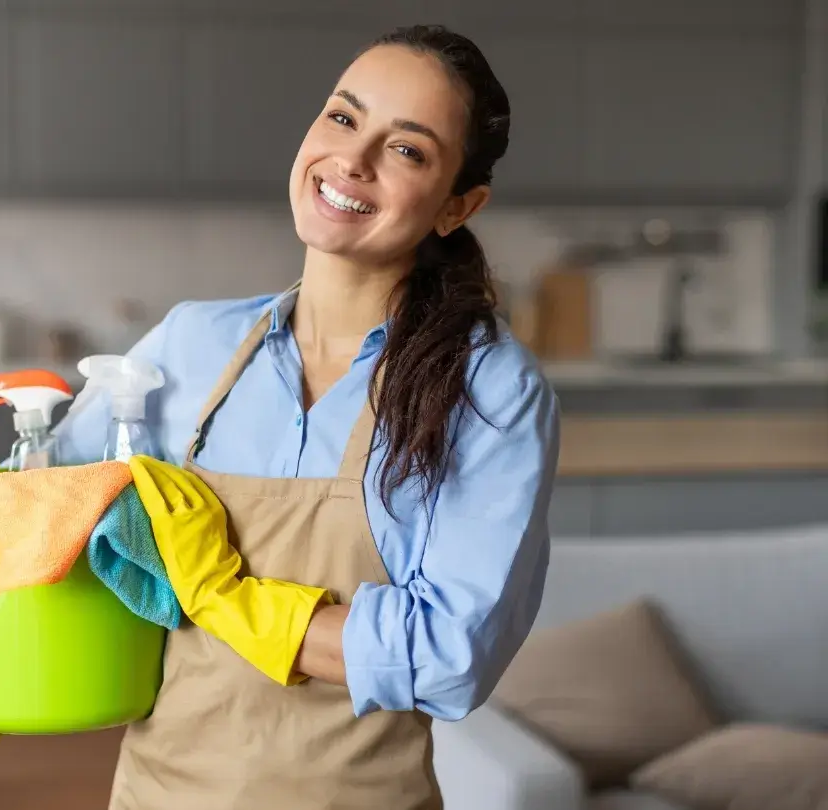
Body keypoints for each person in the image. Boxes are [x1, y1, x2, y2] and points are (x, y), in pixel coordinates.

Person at [53, 23, 560, 810]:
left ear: (459, 206)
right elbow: (54, 508)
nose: (351, 161)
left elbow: (450, 659)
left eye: (407, 150)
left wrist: (225, 595)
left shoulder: (485, 389)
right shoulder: (191, 344)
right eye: (343, 117)